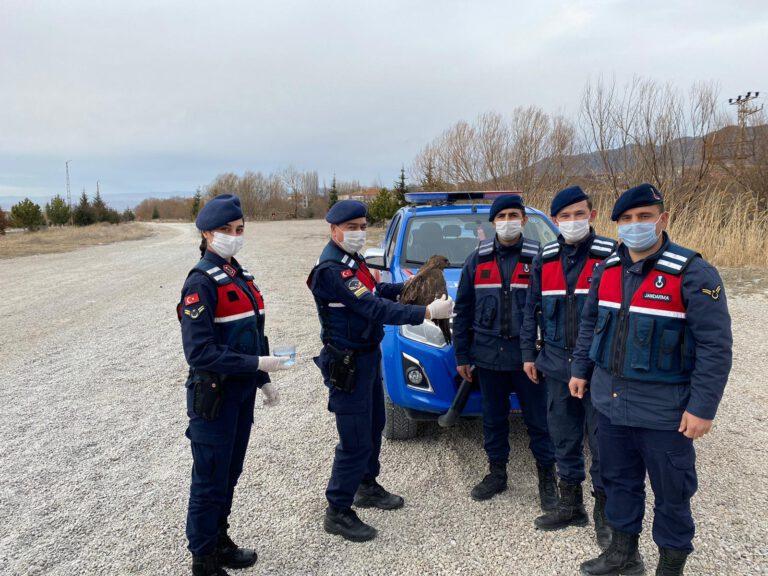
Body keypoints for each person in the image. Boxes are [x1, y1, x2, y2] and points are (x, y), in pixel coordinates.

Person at [569, 183, 732, 576]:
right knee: (618, 483)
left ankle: (670, 567)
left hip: (665, 413)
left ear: (663, 219)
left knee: (672, 494)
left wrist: (702, 408)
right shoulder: (607, 268)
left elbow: (716, 346)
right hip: (610, 406)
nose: (634, 225)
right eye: (625, 219)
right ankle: (623, 555)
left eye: (643, 217)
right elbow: (590, 322)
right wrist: (579, 369)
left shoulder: (692, 273)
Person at [307, 199, 454, 542]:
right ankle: (337, 510)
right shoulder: (332, 270)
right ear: (334, 229)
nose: (359, 232)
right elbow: (371, 305)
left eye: (362, 225)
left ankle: (366, 485)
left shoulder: (352, 261)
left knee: (373, 426)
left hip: (366, 357)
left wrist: (411, 286)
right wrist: (426, 313)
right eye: (353, 227)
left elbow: (377, 290)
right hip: (348, 364)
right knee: (354, 439)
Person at [178, 194, 293, 576]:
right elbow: (200, 353)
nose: (233, 236)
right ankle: (203, 561)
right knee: (209, 480)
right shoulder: (200, 282)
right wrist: (255, 363)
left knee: (230, 473)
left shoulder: (238, 275)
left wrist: (263, 379)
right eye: (225, 231)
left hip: (241, 395)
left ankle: (219, 539)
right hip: (214, 397)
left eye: (239, 230)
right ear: (207, 234)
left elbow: (250, 334)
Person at [520, 186, 616, 548]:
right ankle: (570, 504)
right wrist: (528, 353)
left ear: (591, 215)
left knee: (603, 443)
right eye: (565, 216)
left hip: (597, 368)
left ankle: (605, 516)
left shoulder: (612, 256)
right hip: (557, 364)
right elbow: (530, 311)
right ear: (555, 219)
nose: (573, 222)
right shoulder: (544, 258)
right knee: (563, 436)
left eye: (580, 214)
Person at [453, 193, 558, 508]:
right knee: (493, 418)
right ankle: (497, 474)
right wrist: (462, 355)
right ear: (494, 222)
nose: (508, 222)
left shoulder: (540, 257)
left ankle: (547, 479)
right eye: (502, 216)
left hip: (530, 359)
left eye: (514, 215)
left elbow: (552, 311)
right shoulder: (477, 259)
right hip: (489, 357)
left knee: (539, 420)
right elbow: (463, 311)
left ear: (524, 220)